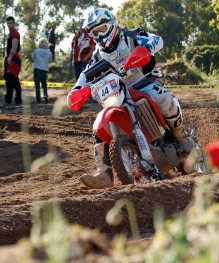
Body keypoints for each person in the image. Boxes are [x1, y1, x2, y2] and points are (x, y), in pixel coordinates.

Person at [69, 8, 196, 189]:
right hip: (117, 94)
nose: (98, 36)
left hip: (144, 82)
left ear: (112, 25)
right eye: (93, 33)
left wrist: (145, 49)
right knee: (100, 127)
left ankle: (181, 136)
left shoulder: (130, 36)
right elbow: (84, 76)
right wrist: (77, 90)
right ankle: (104, 173)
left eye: (101, 29)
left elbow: (157, 40)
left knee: (163, 99)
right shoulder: (97, 56)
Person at [1, 16, 22, 109]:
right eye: (8, 23)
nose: (9, 25)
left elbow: (13, 49)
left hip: (13, 59)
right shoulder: (12, 33)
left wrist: (9, 58)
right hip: (12, 58)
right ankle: (18, 99)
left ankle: (8, 101)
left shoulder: (15, 33)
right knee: (14, 80)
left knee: (10, 79)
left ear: (14, 23)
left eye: (11, 23)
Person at [32, 38, 53, 103]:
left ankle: (38, 100)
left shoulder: (36, 51)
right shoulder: (49, 52)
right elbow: (50, 61)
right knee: (44, 85)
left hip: (37, 70)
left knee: (37, 86)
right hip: (44, 70)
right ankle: (45, 95)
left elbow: (33, 57)